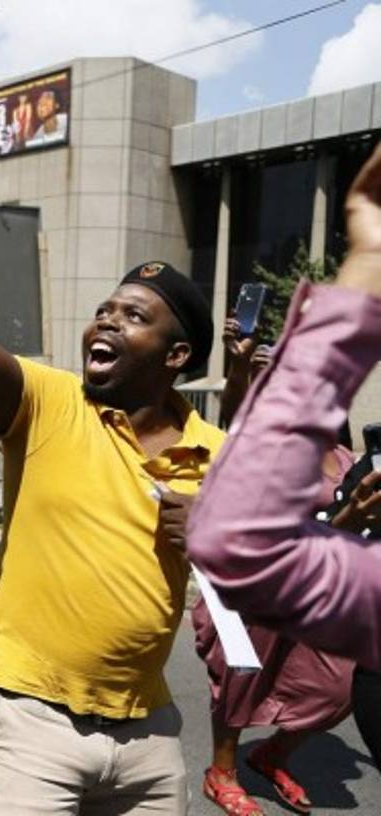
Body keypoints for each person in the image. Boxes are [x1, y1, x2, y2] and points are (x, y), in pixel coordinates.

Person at [0, 98, 225, 814]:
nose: (106, 323)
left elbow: (270, 578)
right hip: (30, 725)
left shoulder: (218, 453)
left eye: (134, 316)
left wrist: (222, 537)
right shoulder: (47, 400)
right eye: (105, 310)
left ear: (175, 356)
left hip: (150, 738)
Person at [186, 143, 381, 753]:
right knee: (244, 680)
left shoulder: (347, 459)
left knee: (333, 689)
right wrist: (241, 367)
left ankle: (271, 756)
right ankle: (222, 766)